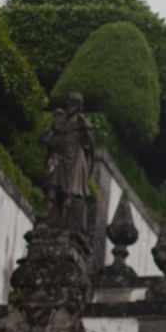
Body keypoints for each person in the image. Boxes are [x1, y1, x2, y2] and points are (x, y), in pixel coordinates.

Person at [42, 92, 96, 233]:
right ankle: (48, 215)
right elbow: (45, 139)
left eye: (73, 103)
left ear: (78, 106)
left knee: (70, 192)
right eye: (69, 102)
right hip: (59, 157)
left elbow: (90, 144)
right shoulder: (60, 120)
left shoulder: (82, 123)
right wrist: (52, 134)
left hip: (74, 159)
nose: (69, 105)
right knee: (52, 186)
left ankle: (65, 220)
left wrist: (86, 129)